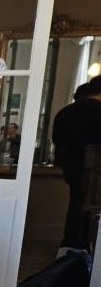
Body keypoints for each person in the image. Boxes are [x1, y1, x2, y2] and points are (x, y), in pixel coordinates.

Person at [50, 75, 101, 249]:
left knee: (76, 203)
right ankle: (87, 247)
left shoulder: (65, 112)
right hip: (96, 170)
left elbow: (57, 139)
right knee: (91, 209)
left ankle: (71, 245)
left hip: (71, 167)